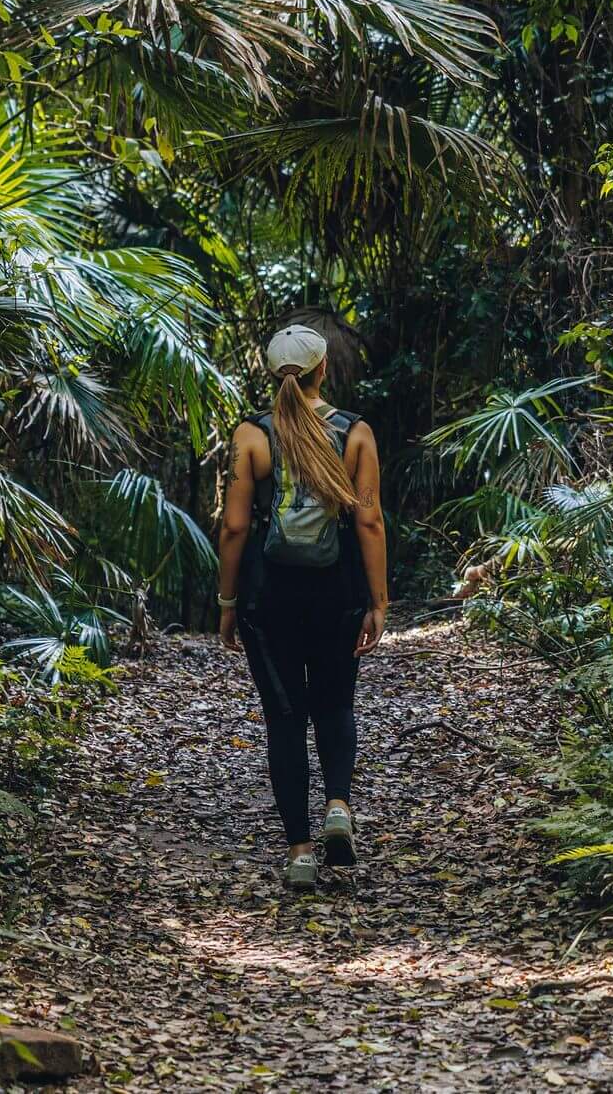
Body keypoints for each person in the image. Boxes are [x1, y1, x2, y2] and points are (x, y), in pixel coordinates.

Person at [216, 323, 390, 888]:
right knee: (337, 702)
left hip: (270, 598)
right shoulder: (356, 433)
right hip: (337, 593)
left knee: (285, 719)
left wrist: (226, 603)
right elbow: (369, 520)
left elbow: (235, 527)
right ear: (323, 370)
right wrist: (378, 602)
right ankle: (338, 805)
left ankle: (299, 853)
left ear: (271, 374)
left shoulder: (253, 436)